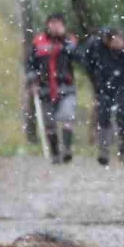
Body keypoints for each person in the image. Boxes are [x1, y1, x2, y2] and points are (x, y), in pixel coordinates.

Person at [81, 27, 124, 166]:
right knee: (103, 116)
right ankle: (103, 151)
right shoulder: (95, 45)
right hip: (103, 85)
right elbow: (86, 61)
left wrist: (123, 50)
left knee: (123, 113)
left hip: (123, 84)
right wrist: (95, 79)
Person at [26, 12, 80, 163]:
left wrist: (64, 41)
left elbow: (77, 56)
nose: (55, 26)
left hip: (66, 86)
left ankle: (67, 149)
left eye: (58, 23)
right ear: (47, 24)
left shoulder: (70, 40)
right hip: (45, 88)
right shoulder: (38, 42)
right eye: (52, 22)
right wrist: (32, 80)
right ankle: (55, 152)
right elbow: (30, 63)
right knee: (49, 123)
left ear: (63, 25)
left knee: (67, 117)